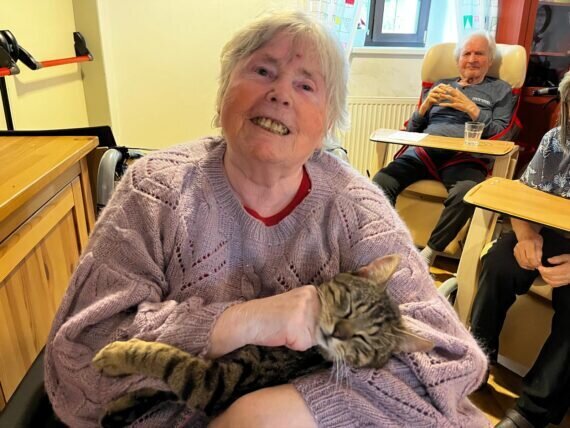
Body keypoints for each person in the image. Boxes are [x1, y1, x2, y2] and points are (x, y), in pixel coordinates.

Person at [45, 11, 488, 427]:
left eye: (306, 85)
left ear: (328, 122)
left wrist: (272, 410)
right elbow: (78, 361)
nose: (280, 93)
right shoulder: (155, 189)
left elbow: (449, 362)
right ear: (223, 92)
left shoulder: (357, 209)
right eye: (262, 71)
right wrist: (243, 321)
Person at [470, 71, 570, 428]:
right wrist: (526, 235)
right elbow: (521, 197)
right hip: (548, 231)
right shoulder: (556, 141)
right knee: (498, 262)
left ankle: (531, 412)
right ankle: (476, 361)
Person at [373, 31, 516, 266]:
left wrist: (471, 108)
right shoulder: (440, 85)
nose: (472, 59)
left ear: (490, 60)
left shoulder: (501, 90)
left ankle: (429, 253)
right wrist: (425, 105)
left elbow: (502, 133)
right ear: (458, 59)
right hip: (425, 152)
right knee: (382, 181)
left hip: (464, 157)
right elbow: (412, 130)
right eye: (466, 54)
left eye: (479, 54)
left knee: (466, 192)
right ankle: (386, 243)